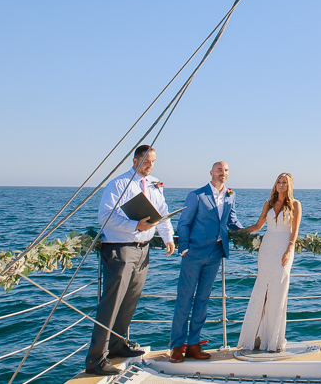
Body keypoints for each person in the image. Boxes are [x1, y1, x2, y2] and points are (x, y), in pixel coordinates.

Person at [85, 145, 175, 376]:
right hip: (120, 249)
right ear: (134, 160)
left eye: (153, 161)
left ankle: (117, 346)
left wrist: (167, 238)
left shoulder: (155, 183)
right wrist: (135, 225)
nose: (149, 165)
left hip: (143, 250)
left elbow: (162, 213)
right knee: (111, 303)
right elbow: (105, 216)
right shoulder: (118, 184)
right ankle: (96, 359)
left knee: (129, 301)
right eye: (145, 161)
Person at [169, 161, 244, 362]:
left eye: (226, 170)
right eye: (219, 169)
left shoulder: (231, 195)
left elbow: (232, 221)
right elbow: (183, 223)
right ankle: (176, 346)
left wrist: (250, 231)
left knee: (202, 300)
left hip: (216, 254)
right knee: (184, 300)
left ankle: (193, 345)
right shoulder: (196, 195)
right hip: (193, 254)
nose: (223, 173)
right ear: (211, 172)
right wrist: (184, 248)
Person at [236, 172, 303, 352]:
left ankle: (273, 340)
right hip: (266, 249)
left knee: (278, 292)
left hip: (283, 247)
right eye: (278, 182)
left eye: (284, 183)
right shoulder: (269, 203)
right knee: (263, 292)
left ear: (290, 185)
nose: (280, 185)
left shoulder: (295, 204)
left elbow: (295, 231)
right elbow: (258, 226)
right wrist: (238, 233)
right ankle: (257, 337)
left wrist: (290, 249)